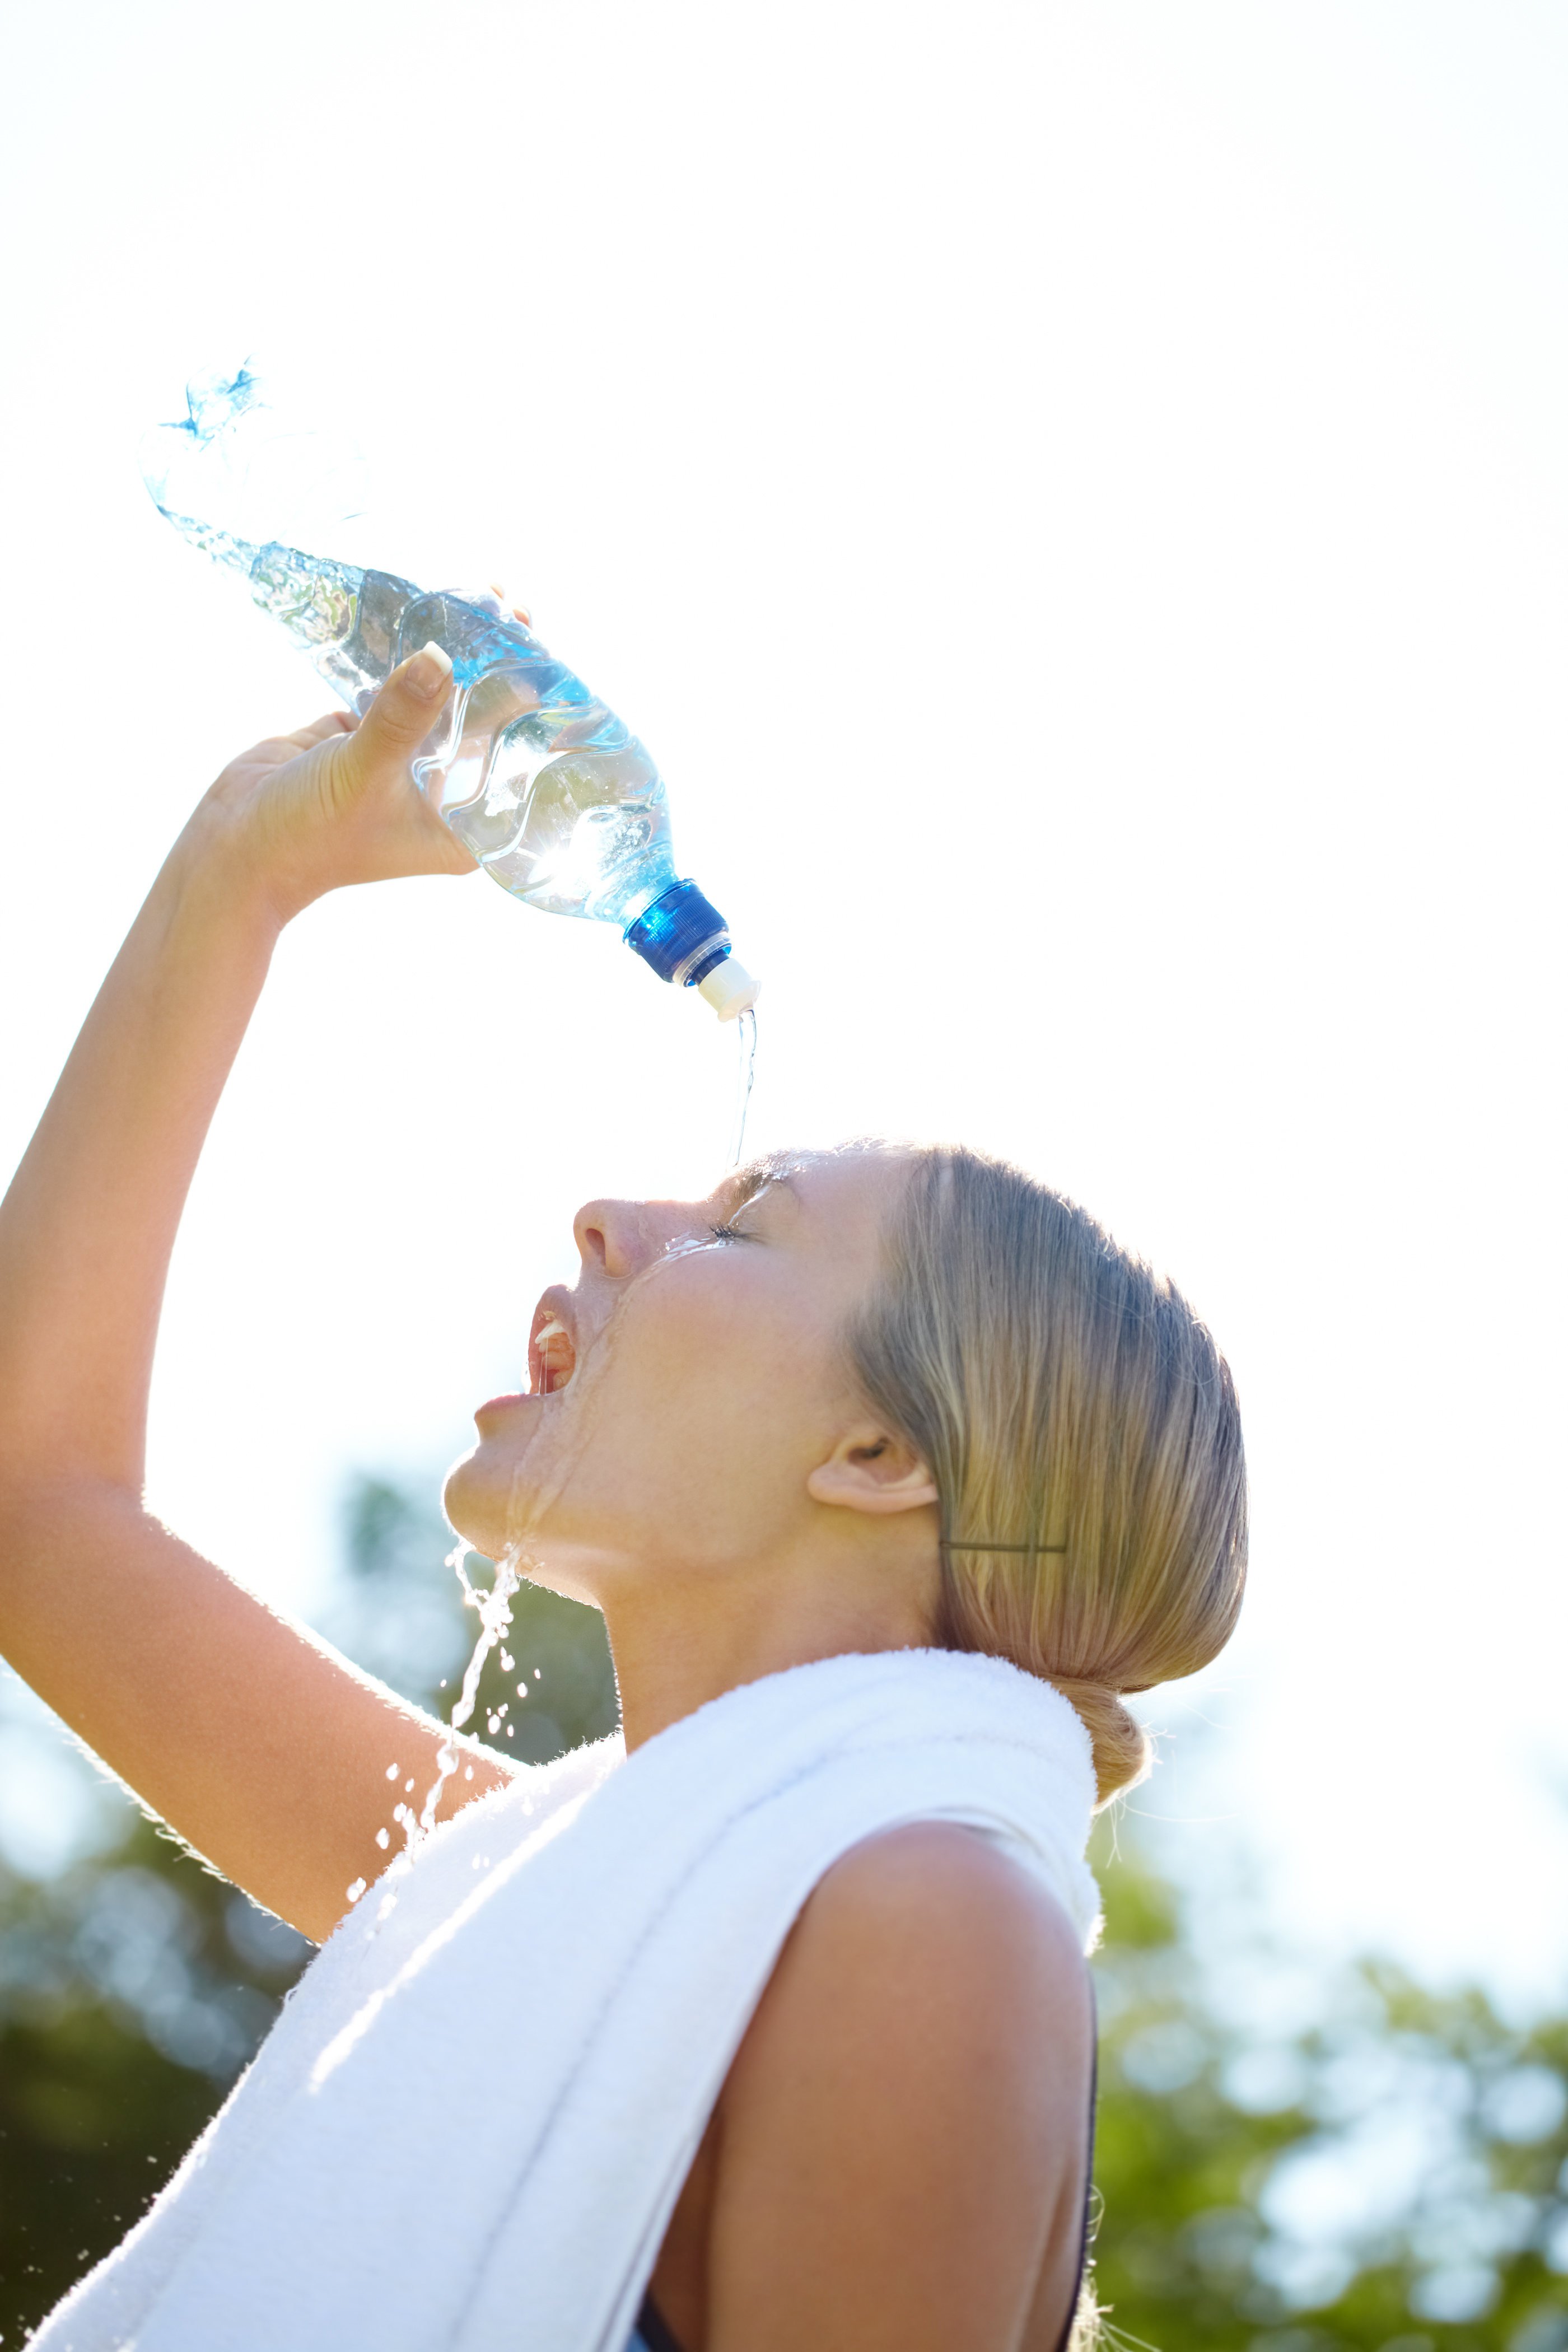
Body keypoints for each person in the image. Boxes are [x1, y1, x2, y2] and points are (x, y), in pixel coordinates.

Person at [0, 642, 1248, 2352]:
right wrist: (244, 863)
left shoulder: (926, 1922)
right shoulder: (512, 1895)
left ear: (880, 1459)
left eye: (738, 1229)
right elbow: (34, 1507)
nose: (607, 1220)